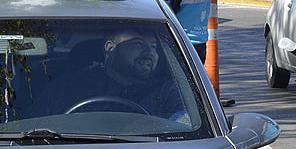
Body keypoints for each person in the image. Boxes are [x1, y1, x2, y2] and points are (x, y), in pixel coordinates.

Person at [32, 28, 186, 119]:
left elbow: (184, 124)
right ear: (110, 48)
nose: (149, 53)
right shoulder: (70, 87)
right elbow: (36, 126)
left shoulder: (168, 92)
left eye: (153, 47)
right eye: (138, 44)